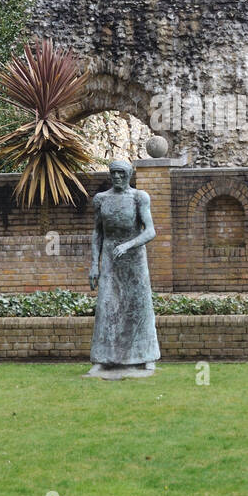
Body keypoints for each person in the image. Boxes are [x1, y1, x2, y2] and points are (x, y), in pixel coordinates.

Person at [87, 160, 159, 378]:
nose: (117, 177)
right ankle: (102, 359)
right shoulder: (101, 199)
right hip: (110, 256)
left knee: (139, 304)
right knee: (107, 306)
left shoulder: (139, 198)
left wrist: (128, 245)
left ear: (129, 175)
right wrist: (94, 264)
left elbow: (150, 231)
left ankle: (146, 356)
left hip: (134, 257)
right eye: (113, 173)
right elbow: (97, 233)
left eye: (121, 173)